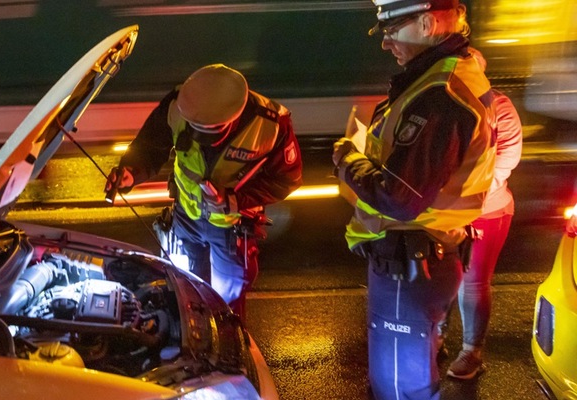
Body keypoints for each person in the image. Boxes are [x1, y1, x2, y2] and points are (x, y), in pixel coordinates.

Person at [331, 1, 496, 398]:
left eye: (392, 30)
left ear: (426, 23)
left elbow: (400, 198)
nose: (386, 43)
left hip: (411, 261)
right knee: (409, 377)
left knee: (399, 386)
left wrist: (347, 159)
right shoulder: (449, 76)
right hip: (426, 254)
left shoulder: (439, 93)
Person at [104, 64, 303, 320]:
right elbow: (149, 146)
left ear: (233, 119)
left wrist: (233, 200)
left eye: (211, 132)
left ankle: (229, 352)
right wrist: (131, 171)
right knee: (183, 291)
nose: (201, 137)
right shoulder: (179, 103)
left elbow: (286, 179)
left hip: (229, 228)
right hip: (185, 220)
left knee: (226, 304)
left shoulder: (271, 123)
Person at [442, 47, 523, 380]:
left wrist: (468, 195)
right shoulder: (447, 102)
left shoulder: (500, 107)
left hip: (487, 210)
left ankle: (471, 353)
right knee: (443, 276)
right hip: (449, 211)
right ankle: (437, 337)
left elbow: (507, 159)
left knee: (473, 283)